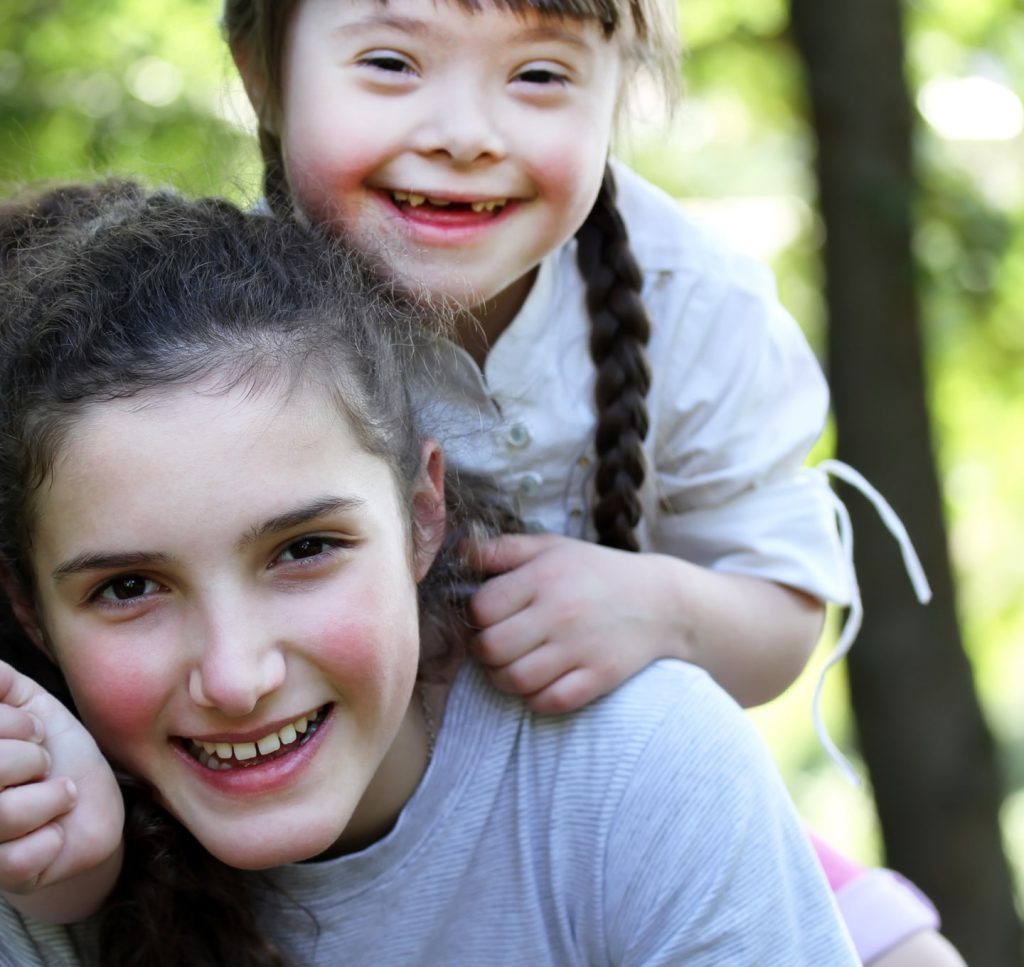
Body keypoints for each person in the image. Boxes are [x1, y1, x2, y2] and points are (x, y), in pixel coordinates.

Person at [219, 1, 961, 963]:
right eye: (393, 63)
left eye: (537, 76)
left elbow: (784, 604)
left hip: (618, 796)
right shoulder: (210, 342)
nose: (464, 136)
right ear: (261, 74)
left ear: (619, 94)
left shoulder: (695, 302)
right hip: (342, 846)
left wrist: (660, 609)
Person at [0, 181, 861, 965]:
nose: (235, 677)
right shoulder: (28, 859)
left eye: (304, 549)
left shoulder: (638, 771)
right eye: (128, 587)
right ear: (30, 611)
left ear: (422, 515)